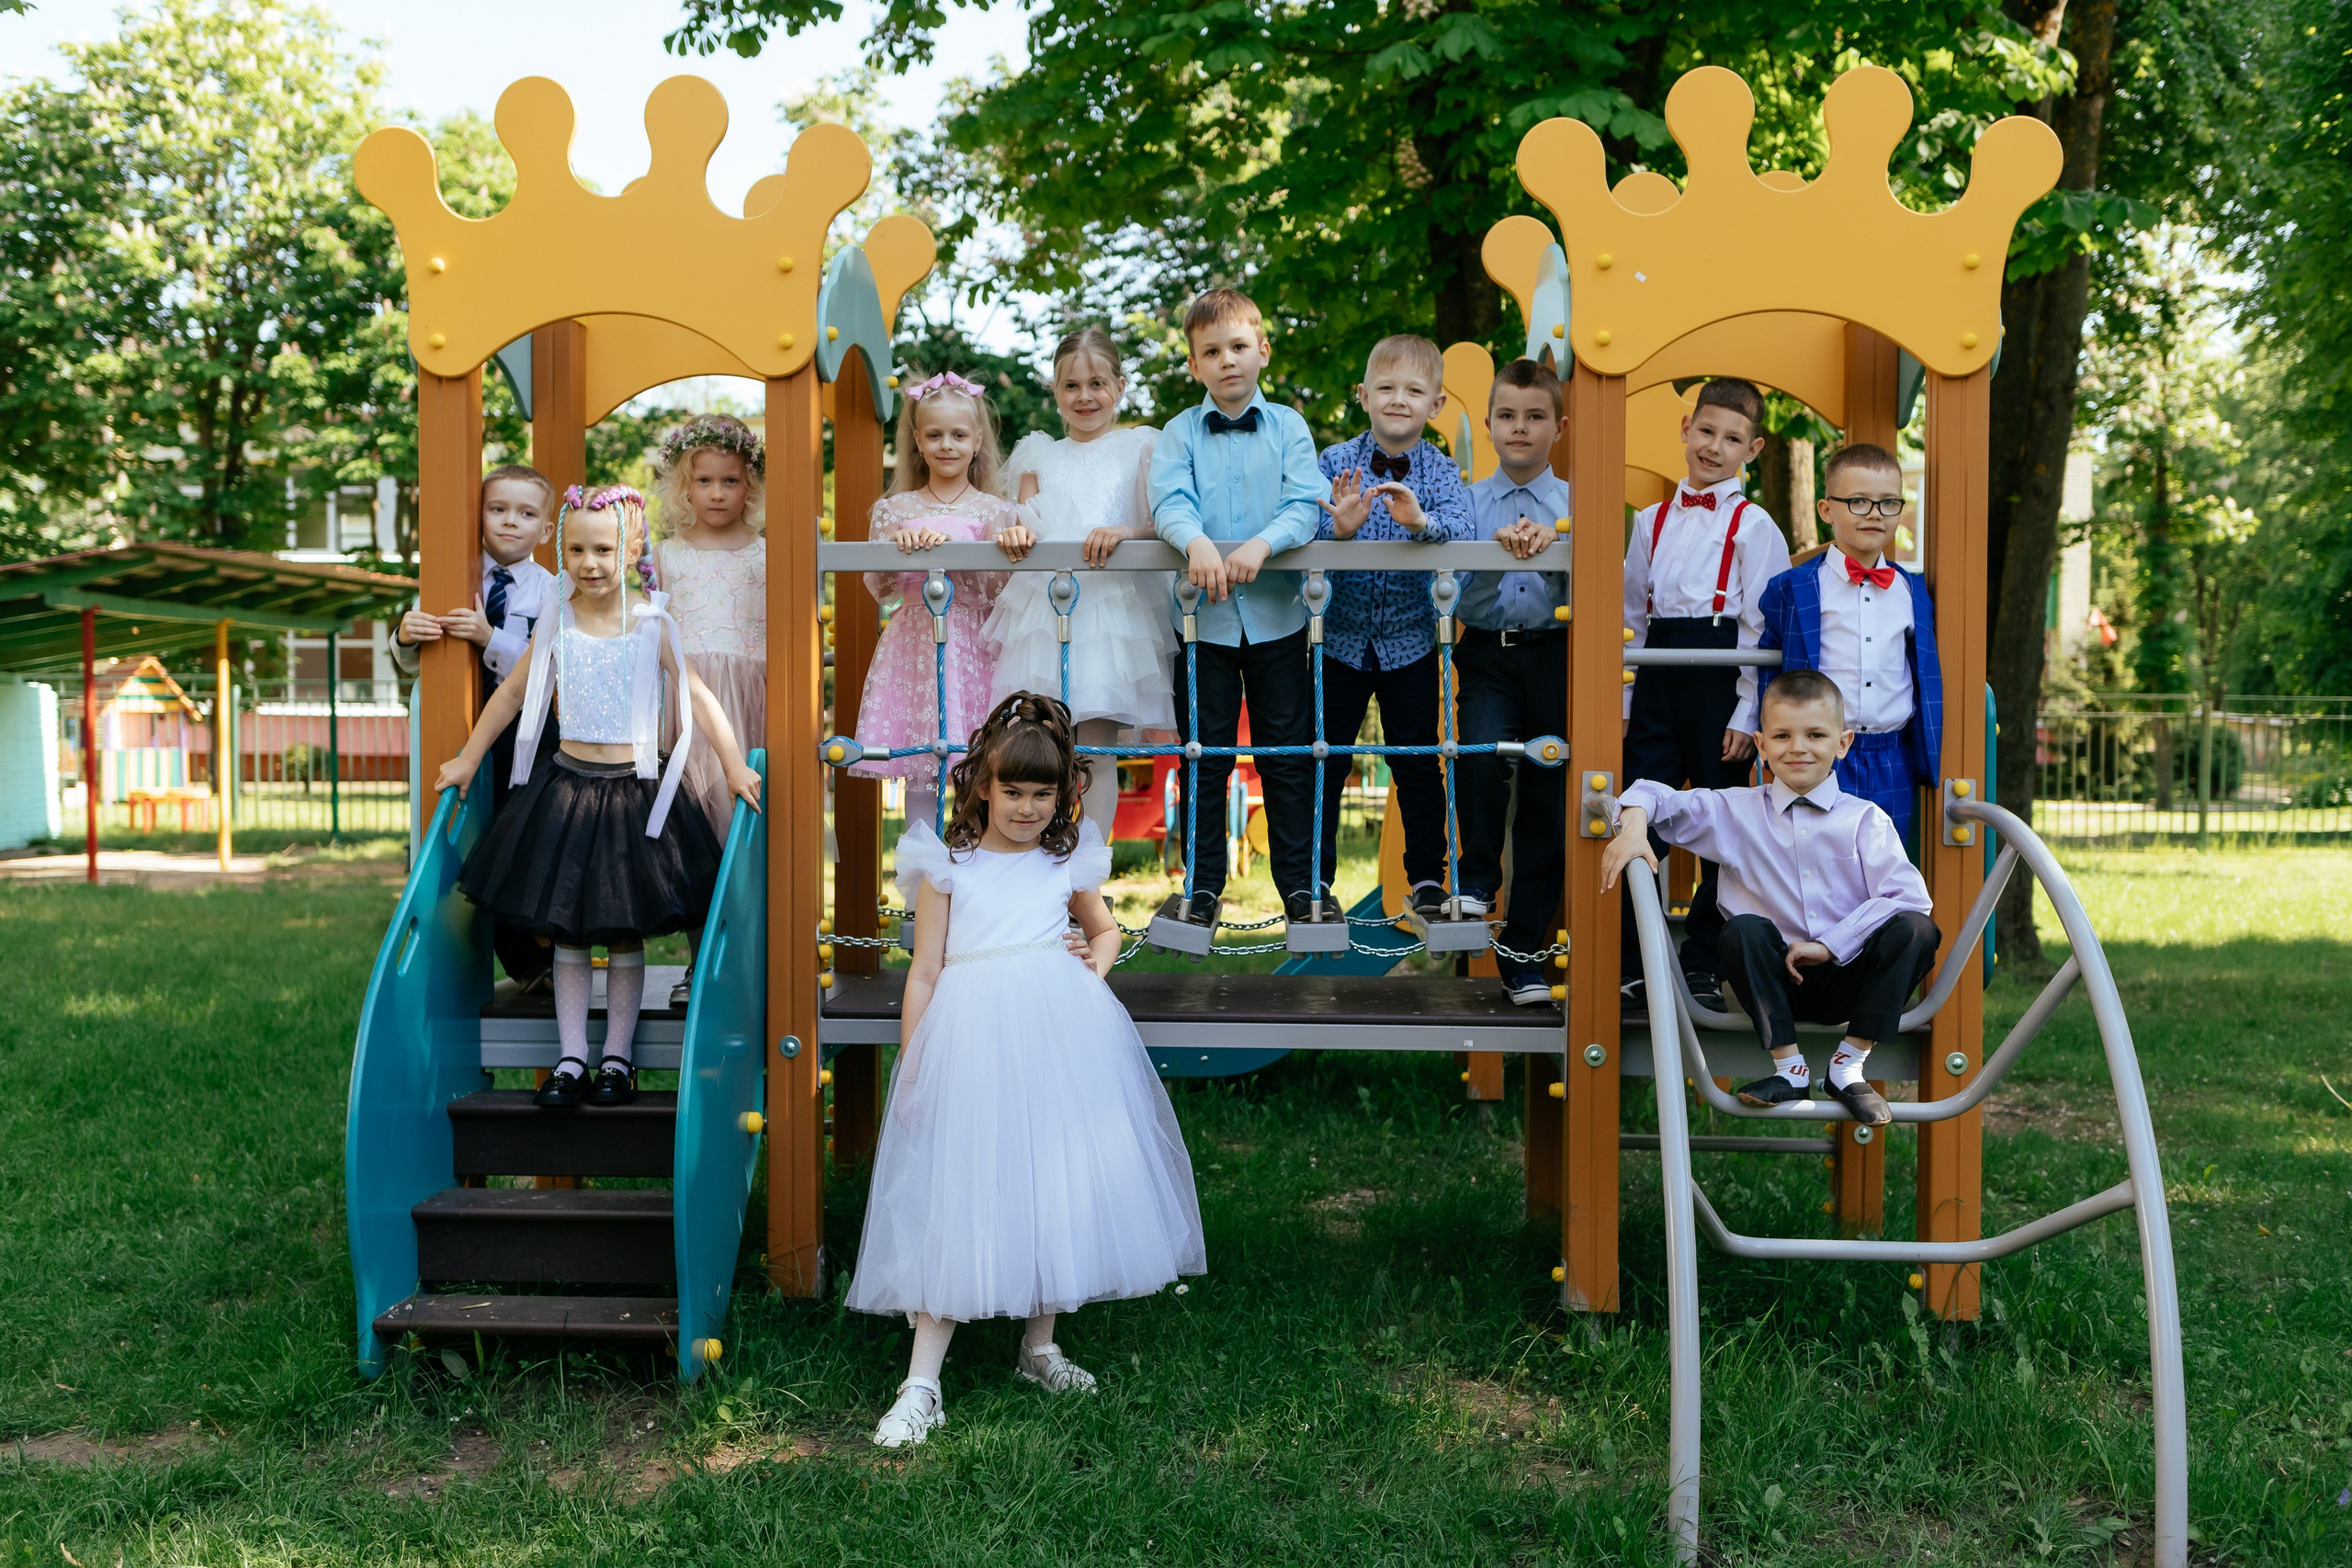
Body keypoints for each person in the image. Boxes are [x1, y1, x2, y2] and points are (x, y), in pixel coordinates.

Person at [852, 693, 1205, 1448]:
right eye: (1012, 790)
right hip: (970, 1040)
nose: (1026, 807)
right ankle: (921, 1382)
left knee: (1053, 1181)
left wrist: (1091, 968)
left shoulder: (1062, 862)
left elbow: (1105, 930)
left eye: (1042, 794)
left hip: (1056, 1035)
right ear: (983, 786)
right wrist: (914, 1065)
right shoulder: (949, 867)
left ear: (1063, 795)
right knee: (959, 1191)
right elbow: (924, 971)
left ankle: (1038, 1346)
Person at [432, 486, 762, 1111]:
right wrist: (469, 757)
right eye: (577, 549)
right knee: (570, 934)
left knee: (624, 933)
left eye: (603, 549)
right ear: (563, 551)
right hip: (567, 793)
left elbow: (697, 695)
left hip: (633, 795)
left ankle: (616, 1055)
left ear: (631, 548)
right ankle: (570, 1057)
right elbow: (511, 695)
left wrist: (734, 764)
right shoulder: (558, 621)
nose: (589, 563)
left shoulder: (652, 622)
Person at [1600, 668, 1939, 1127]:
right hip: (1771, 982)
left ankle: (1848, 1067)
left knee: (1916, 929)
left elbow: (1909, 898)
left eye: (1815, 735)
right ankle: (1789, 1069)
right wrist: (1633, 830)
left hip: (1847, 979)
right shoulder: (1734, 811)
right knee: (1742, 929)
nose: (1798, 747)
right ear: (1760, 745)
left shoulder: (1865, 820)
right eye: (1782, 736)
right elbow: (1650, 793)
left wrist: (1830, 945)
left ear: (1843, 743)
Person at [1148, 288, 1326, 926]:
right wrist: (1195, 541)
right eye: (1212, 351)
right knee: (1204, 757)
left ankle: (1300, 888)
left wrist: (1262, 545)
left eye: (1239, 347)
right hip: (1202, 624)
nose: (1227, 360)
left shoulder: (1290, 427)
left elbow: (1305, 504)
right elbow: (1169, 500)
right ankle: (1201, 889)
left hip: (1278, 618)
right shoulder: (1178, 433)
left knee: (1287, 757)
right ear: (1194, 364)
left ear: (1263, 352)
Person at [1620, 377, 1792, 1010]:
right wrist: (1627, 701)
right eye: (1706, 431)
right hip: (1657, 673)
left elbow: (1762, 628)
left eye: (1732, 438)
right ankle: (1635, 962)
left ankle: (1701, 962)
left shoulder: (1754, 525)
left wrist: (1748, 712)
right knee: (1638, 813)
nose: (1715, 447)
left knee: (1726, 824)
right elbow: (1631, 615)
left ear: (1754, 449)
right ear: (1686, 428)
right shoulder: (1650, 521)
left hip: (1721, 680)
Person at [989, 325, 1174, 840]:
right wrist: (1017, 530)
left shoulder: (1140, 447)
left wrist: (1126, 532)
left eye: (1097, 384)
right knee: (1035, 746)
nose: (1084, 396)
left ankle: (1090, 865)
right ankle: (1037, 857)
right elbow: (1023, 520)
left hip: (1112, 618)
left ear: (1119, 386)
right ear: (1055, 390)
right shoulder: (1038, 454)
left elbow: (1160, 524)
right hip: (1043, 619)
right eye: (1071, 385)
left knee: (1095, 751)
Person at [1312, 333, 1473, 919]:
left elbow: (1462, 531)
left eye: (1414, 391)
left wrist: (1421, 523)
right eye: (1385, 388)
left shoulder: (1442, 470)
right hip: (1339, 639)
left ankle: (1428, 878)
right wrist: (1338, 530)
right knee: (1326, 760)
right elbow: (1302, 528)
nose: (1398, 399)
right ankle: (1314, 881)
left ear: (1436, 404)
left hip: (1411, 642)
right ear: (1363, 396)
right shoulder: (1332, 463)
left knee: (1417, 762)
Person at [391, 462, 561, 989]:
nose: (510, 521)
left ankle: (539, 959)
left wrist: (491, 638)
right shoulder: (450, 578)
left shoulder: (552, 591)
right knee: (467, 837)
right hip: (460, 728)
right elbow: (410, 662)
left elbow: (549, 670)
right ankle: (462, 961)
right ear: (479, 516)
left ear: (546, 530)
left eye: (525, 514)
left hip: (526, 732)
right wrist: (406, 635)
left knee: (522, 840)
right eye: (498, 509)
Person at [848, 371, 1025, 831]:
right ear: (917, 440)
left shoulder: (995, 511)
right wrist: (897, 548)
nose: (947, 445)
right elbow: (881, 588)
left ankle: (977, 854)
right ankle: (919, 865)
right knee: (922, 764)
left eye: (959, 435)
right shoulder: (894, 509)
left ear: (978, 440)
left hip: (973, 644)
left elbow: (997, 591)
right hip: (916, 646)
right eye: (935, 435)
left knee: (979, 760)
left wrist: (965, 554)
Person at [1751, 441, 1941, 849]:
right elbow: (1767, 669)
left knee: (1885, 863)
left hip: (1892, 755)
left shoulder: (1912, 590)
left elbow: (1922, 671)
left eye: (1888, 503)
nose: (1874, 513)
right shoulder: (1793, 587)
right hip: (1819, 752)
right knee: (1814, 862)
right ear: (1826, 510)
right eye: (1858, 501)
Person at [1457, 357, 1572, 1003]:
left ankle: (1525, 954)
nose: (1520, 428)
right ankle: (1477, 878)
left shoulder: (1577, 504)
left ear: (1559, 426)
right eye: (1507, 416)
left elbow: (1598, 594)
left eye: (1534, 417)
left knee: (1546, 799)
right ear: (1489, 424)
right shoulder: (1468, 503)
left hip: (1557, 656)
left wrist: (1554, 558)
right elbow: (1453, 599)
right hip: (1488, 653)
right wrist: (1493, 561)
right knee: (1479, 753)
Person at [651, 412, 767, 1007]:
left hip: (753, 699)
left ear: (751, 485)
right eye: (704, 481)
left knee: (749, 828)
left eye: (731, 480)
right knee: (696, 827)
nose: (717, 493)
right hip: (687, 704)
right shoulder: (664, 556)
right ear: (683, 486)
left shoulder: (767, 555)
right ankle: (699, 963)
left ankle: (754, 960)